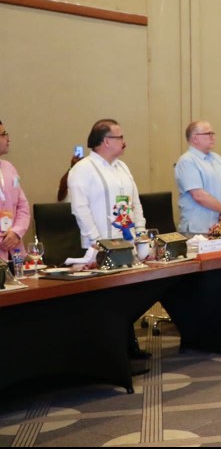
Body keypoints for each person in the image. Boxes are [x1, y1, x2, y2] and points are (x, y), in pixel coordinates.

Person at [67, 118, 149, 360]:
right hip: (100, 246)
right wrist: (97, 241)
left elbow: (135, 203)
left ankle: (129, 344)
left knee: (127, 297)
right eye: (120, 137)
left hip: (126, 241)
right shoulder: (83, 169)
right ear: (105, 141)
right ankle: (112, 352)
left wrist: (141, 233)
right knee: (108, 301)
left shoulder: (122, 168)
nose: (124, 141)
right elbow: (80, 209)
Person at [174, 120, 221, 235]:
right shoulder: (187, 161)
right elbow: (199, 196)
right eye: (208, 134)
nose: (213, 137)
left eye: (213, 133)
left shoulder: (217, 158)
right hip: (198, 229)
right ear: (195, 138)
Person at [0, 121, 30, 265]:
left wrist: (16, 232)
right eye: (3, 134)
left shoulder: (9, 168)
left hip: (14, 249)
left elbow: (22, 206)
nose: (8, 139)